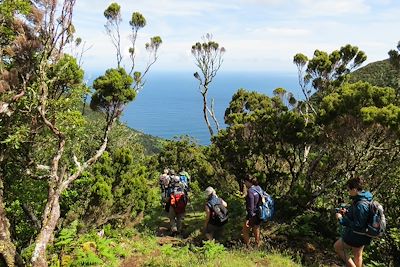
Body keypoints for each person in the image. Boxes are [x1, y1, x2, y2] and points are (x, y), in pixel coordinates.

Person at [334, 177, 373, 267]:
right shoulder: (365, 199)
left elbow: (358, 225)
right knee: (357, 255)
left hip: (356, 234)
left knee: (337, 247)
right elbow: (359, 217)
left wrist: (341, 219)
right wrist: (346, 212)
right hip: (364, 234)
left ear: (355, 189)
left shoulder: (361, 204)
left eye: (349, 189)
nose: (349, 192)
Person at [242, 175, 262, 248]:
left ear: (248, 182)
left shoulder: (250, 191)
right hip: (259, 212)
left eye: (245, 182)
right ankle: (257, 244)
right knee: (256, 228)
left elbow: (251, 206)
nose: (245, 184)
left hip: (252, 214)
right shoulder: (258, 188)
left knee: (245, 231)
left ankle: (248, 246)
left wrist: (249, 218)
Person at [166, 169, 187, 235]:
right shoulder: (183, 186)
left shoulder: (171, 187)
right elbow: (186, 195)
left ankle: (174, 229)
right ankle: (179, 230)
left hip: (173, 205)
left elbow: (168, 197)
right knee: (180, 218)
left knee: (172, 218)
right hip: (181, 205)